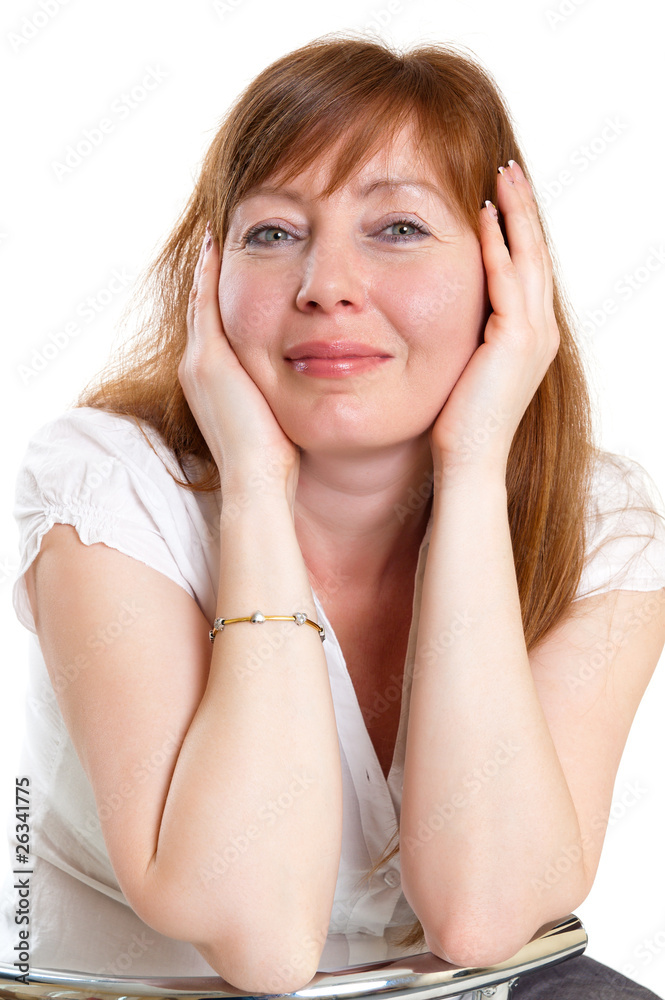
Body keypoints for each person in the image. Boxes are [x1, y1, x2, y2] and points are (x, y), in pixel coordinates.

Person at [2, 31, 665, 1000]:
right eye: (273, 233)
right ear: (209, 275)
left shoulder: (601, 522)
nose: (326, 287)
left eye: (396, 227)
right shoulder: (107, 486)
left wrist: (474, 470)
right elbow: (262, 941)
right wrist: (253, 484)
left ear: (505, 269)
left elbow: (483, 919)